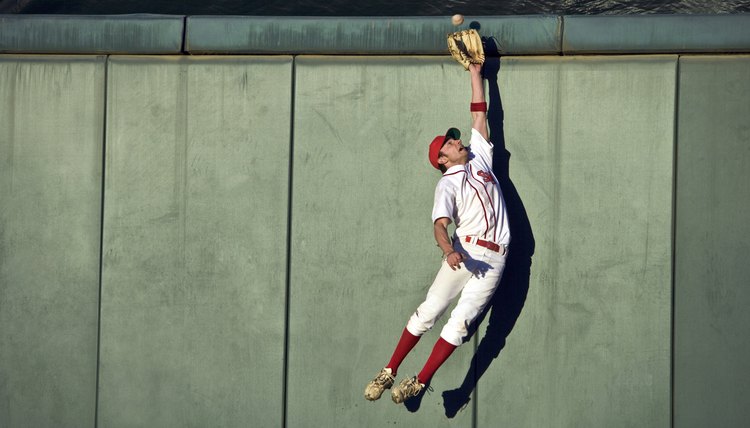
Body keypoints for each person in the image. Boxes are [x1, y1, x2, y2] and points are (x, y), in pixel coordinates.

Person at [364, 62, 511, 404]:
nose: (456, 140)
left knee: (459, 325)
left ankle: (420, 381)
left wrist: (476, 73)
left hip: (495, 259)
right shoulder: (446, 184)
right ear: (442, 159)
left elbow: (479, 115)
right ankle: (389, 371)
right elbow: (440, 225)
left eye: (453, 139)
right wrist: (448, 250)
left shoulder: (480, 161)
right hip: (464, 253)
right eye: (448, 143)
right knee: (430, 310)